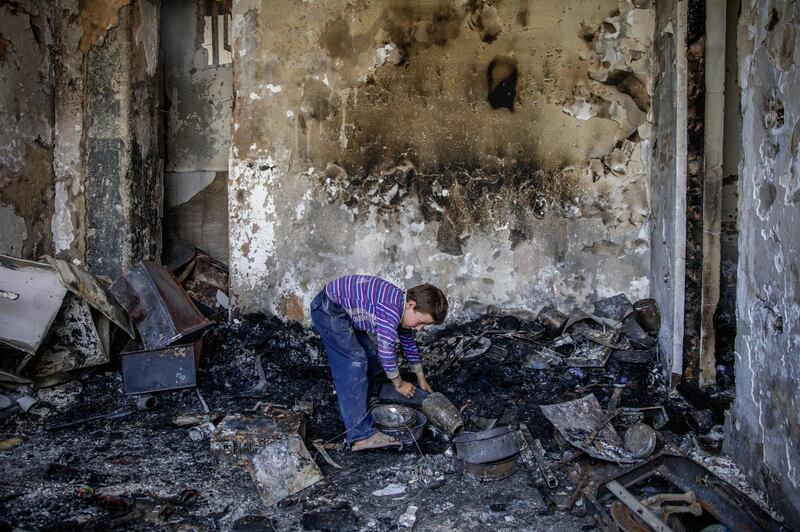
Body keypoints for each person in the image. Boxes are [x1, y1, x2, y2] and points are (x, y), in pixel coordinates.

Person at [310, 275, 448, 451]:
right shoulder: (391, 311)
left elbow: (409, 344)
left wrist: (421, 378)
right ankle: (360, 436)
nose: (420, 328)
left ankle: (359, 411)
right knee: (355, 362)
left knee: (370, 355)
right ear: (411, 305)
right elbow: (387, 351)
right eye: (421, 322)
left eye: (424, 326)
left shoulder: (402, 309)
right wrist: (399, 384)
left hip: (345, 311)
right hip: (328, 310)